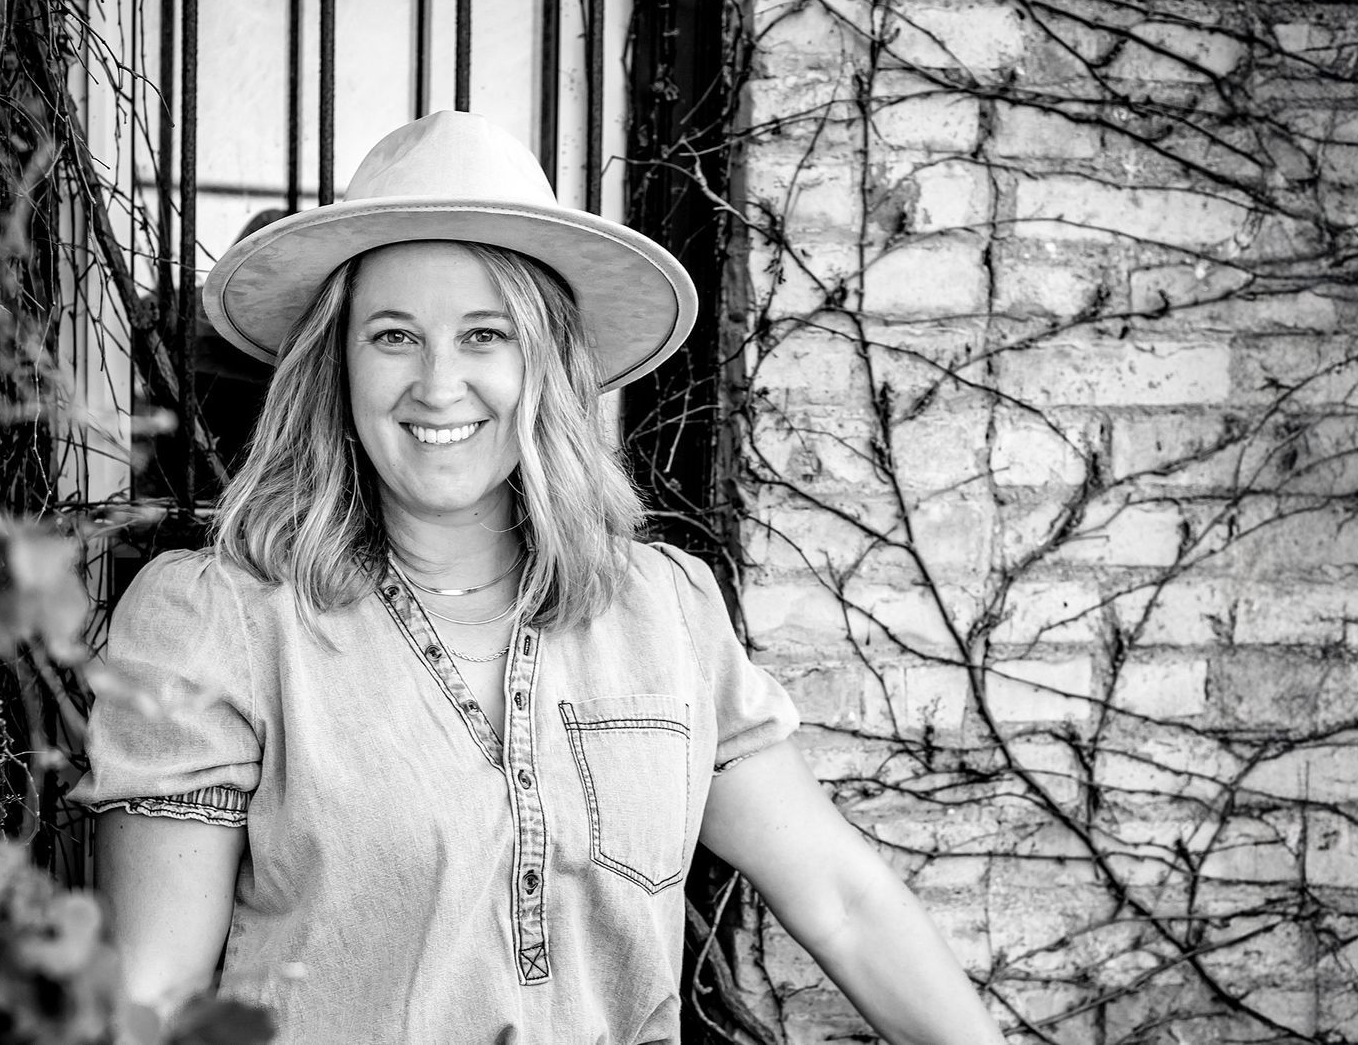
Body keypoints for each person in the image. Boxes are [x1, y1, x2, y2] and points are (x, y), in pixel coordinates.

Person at [69, 111, 1006, 1044]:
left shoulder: (662, 611)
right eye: (393, 336)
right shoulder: (221, 623)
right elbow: (155, 1001)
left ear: (548, 361)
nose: (439, 385)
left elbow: (842, 902)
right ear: (336, 367)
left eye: (486, 334)